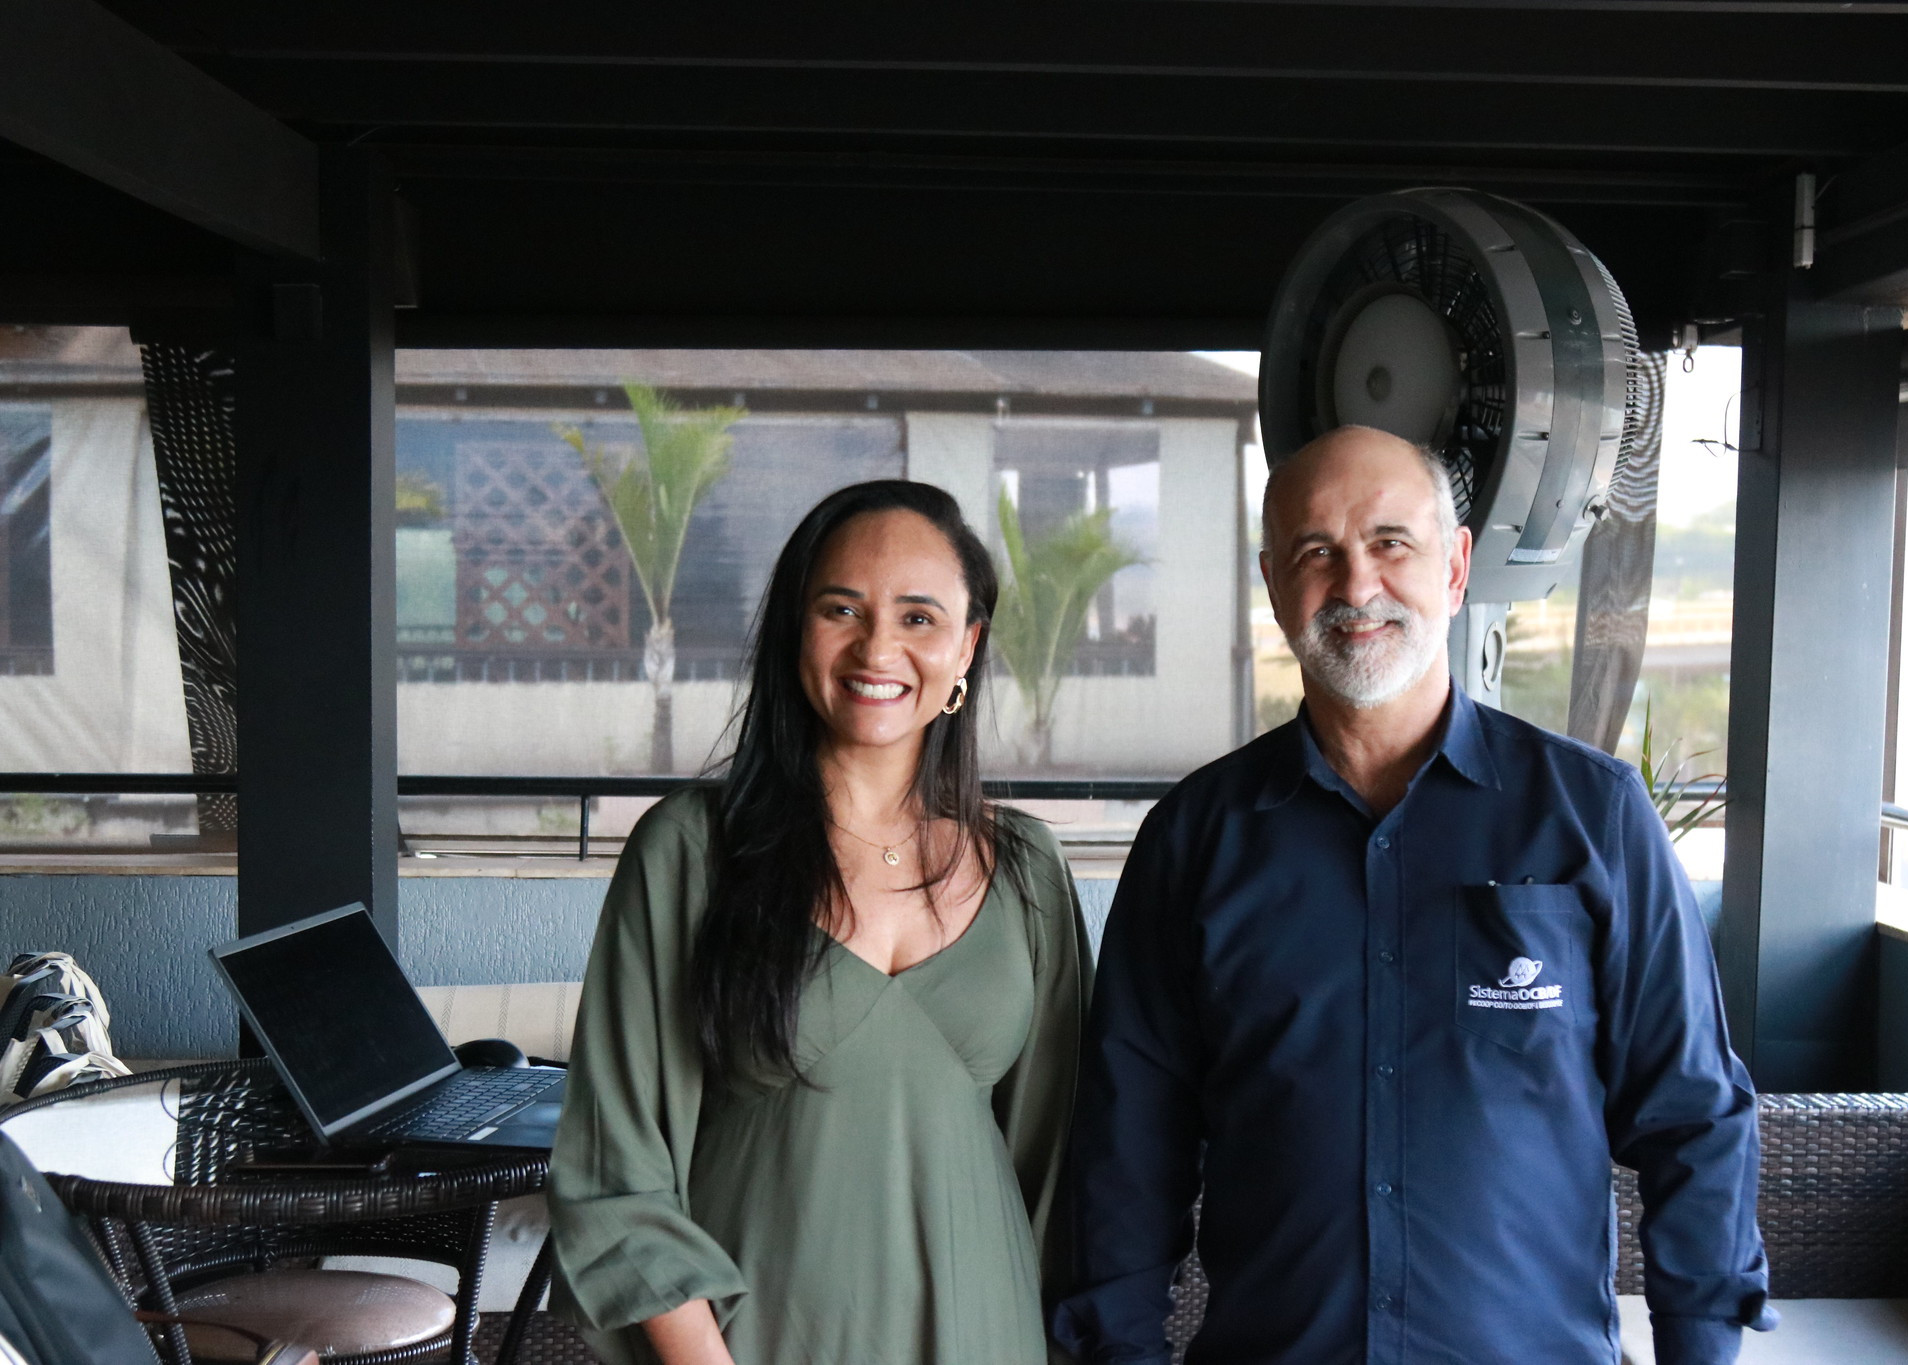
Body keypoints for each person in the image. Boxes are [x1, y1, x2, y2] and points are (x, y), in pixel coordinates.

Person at [1052, 426, 1771, 1365]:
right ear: (1274, 584)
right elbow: (1126, 1150)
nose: (1356, 586)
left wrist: (1701, 1347)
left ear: (1457, 564)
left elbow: (1694, 1112)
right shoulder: (1195, 840)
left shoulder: (1591, 817)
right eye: (1318, 552)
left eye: (1392, 542)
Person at [549, 480, 1091, 1365]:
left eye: (920, 617)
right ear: (795, 630)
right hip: (753, 1340)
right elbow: (616, 1167)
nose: (878, 645)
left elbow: (1061, 1162)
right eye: (842, 607)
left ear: (968, 647)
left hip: (981, 1328)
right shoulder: (689, 850)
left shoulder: (1029, 871)